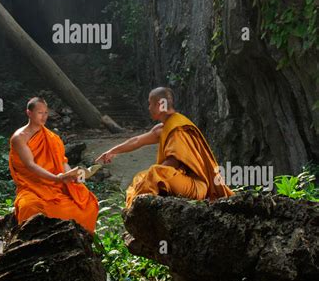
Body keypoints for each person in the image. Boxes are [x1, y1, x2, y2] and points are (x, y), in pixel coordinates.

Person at [95, 86, 234, 208]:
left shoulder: (178, 128)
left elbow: (172, 164)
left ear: (160, 104)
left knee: (155, 173)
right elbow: (137, 141)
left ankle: (140, 209)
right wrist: (112, 151)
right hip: (180, 181)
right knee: (141, 177)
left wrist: (152, 176)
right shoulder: (162, 128)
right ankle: (137, 210)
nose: (148, 107)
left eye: (150, 103)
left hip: (197, 186)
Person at [9, 97, 99, 233]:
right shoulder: (19, 137)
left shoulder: (52, 137)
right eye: (40, 113)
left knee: (87, 201)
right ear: (29, 113)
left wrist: (72, 175)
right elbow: (30, 165)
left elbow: (62, 162)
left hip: (57, 184)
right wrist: (56, 178)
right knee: (30, 207)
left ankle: (80, 241)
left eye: (46, 113)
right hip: (33, 186)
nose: (44, 116)